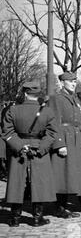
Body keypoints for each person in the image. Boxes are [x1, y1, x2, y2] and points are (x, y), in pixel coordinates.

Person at [1, 82, 57, 227]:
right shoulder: (47, 112)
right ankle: (38, 218)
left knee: (17, 182)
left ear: (25, 93)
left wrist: (20, 146)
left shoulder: (12, 110)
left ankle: (15, 218)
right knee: (39, 183)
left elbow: (7, 133)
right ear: (37, 95)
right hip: (39, 149)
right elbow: (52, 134)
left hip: (18, 149)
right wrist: (41, 148)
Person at [48, 72, 81, 218]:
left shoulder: (74, 100)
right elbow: (54, 122)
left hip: (74, 138)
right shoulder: (57, 99)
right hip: (64, 138)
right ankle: (58, 206)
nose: (73, 84)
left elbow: (80, 123)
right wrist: (59, 144)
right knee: (61, 173)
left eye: (75, 81)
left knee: (69, 174)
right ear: (63, 83)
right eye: (70, 81)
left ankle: (63, 206)